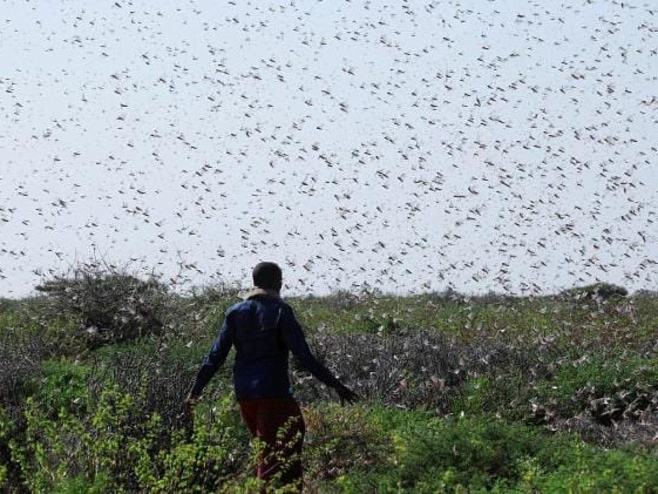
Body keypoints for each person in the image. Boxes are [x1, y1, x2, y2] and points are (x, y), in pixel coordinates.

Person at [184, 261, 359, 493]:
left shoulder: (235, 313)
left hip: (246, 398)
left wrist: (195, 392)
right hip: (275, 396)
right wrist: (337, 386)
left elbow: (214, 357)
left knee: (269, 454)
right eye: (280, 280)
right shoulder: (280, 311)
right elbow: (305, 357)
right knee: (277, 460)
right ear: (278, 283)